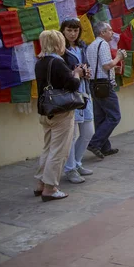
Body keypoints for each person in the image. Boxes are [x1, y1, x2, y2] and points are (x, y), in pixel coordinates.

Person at [34, 30, 82, 201]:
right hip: (61, 112)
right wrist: (77, 73)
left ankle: (40, 184)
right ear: (57, 44)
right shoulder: (58, 63)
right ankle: (50, 188)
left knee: (47, 148)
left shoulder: (40, 62)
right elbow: (73, 85)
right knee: (59, 151)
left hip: (45, 111)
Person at [60, 19, 94, 184]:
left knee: (88, 132)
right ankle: (70, 168)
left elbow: (86, 66)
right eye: (69, 30)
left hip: (85, 93)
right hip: (71, 95)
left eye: (75, 30)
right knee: (71, 135)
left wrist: (86, 73)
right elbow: (61, 73)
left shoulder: (82, 47)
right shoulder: (61, 50)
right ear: (63, 31)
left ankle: (78, 162)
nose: (72, 34)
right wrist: (75, 73)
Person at [86, 22, 125, 159]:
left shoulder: (91, 45)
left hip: (94, 83)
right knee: (114, 116)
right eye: (109, 30)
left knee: (101, 117)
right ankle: (95, 143)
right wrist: (118, 58)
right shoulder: (103, 45)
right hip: (103, 85)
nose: (112, 32)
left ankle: (105, 147)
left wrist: (114, 68)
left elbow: (99, 66)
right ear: (102, 32)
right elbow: (107, 65)